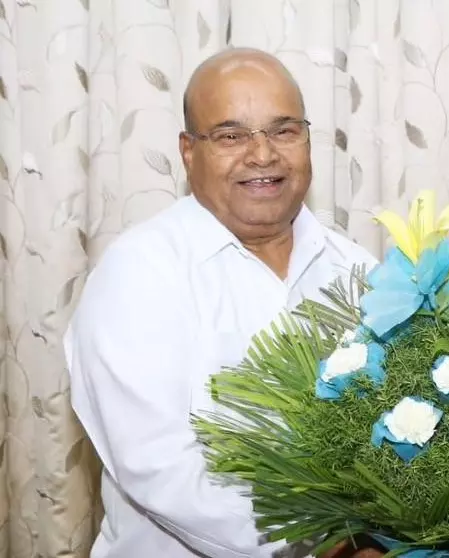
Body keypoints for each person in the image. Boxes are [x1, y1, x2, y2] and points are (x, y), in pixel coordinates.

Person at [65, 48, 384, 558]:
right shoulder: (139, 273)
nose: (262, 154)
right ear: (189, 151)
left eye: (284, 130)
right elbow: (162, 469)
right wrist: (324, 541)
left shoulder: (362, 273)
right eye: (232, 136)